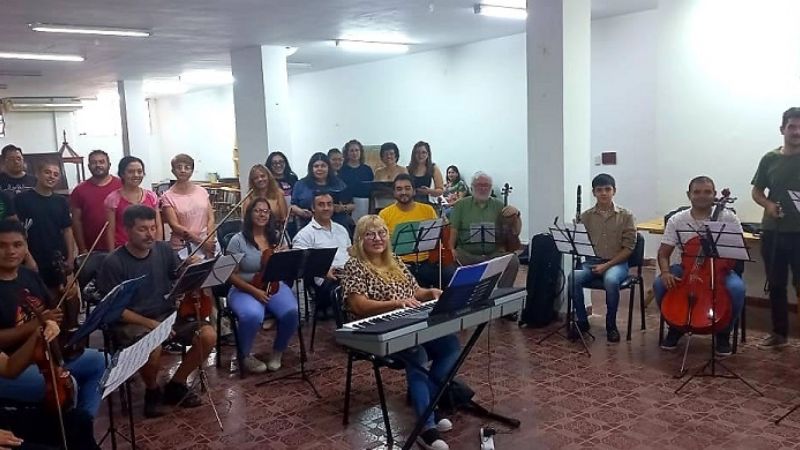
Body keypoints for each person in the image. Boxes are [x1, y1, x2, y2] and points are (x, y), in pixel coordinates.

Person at [342, 215, 456, 450]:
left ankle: (428, 404)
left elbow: (415, 291)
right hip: (374, 329)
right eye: (370, 234)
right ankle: (426, 427)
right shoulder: (354, 265)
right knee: (418, 355)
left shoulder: (394, 260)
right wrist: (395, 304)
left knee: (451, 346)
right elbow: (359, 306)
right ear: (360, 239)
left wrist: (431, 292)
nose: (377, 238)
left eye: (382, 233)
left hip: (408, 321)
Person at [96, 205, 217, 418]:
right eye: (143, 229)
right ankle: (152, 391)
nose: (150, 234)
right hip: (133, 321)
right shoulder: (113, 262)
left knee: (208, 335)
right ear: (127, 230)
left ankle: (176, 384)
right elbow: (114, 310)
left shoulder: (163, 250)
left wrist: (190, 269)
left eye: (153, 228)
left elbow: (176, 278)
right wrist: (152, 325)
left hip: (167, 315)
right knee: (152, 347)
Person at [0, 219, 105, 447]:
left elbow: (49, 312)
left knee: (99, 361)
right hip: (11, 367)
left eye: (17, 244)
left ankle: (82, 426)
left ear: (26, 246)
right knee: (69, 384)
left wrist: (65, 302)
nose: (10, 251)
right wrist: (35, 328)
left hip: (45, 355)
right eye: (2, 245)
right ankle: (70, 432)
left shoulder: (29, 276)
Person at [654, 176, 745, 356]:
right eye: (697, 192)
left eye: (707, 192)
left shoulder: (728, 217)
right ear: (689, 195)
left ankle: (723, 333)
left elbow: (738, 248)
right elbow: (663, 253)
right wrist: (665, 272)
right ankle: (675, 326)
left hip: (719, 270)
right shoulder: (677, 220)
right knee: (659, 284)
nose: (702, 196)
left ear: (714, 194)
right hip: (687, 268)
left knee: (737, 289)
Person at [226, 198, 299, 373]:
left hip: (273, 285)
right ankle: (245, 355)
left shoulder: (275, 236)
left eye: (266, 211)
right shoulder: (237, 240)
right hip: (244, 288)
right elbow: (230, 275)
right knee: (252, 315)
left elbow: (286, 269)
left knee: (291, 312)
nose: (262, 214)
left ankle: (277, 352)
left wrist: (283, 257)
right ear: (250, 214)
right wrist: (255, 292)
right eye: (257, 211)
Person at [752, 107, 800, 349]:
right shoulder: (769, 159)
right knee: (777, 284)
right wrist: (769, 205)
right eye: (792, 126)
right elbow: (757, 192)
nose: (797, 131)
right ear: (783, 129)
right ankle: (779, 334)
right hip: (774, 232)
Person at [567, 174, 636, 343]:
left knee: (611, 280)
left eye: (607, 189)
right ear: (594, 192)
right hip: (592, 261)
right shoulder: (586, 216)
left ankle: (611, 325)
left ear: (614, 191)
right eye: (599, 190)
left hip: (617, 263)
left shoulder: (626, 216)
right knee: (573, 277)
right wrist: (576, 232)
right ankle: (582, 322)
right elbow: (580, 244)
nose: (604, 193)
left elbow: (629, 248)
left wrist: (606, 266)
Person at [379, 174, 455, 288]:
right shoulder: (384, 214)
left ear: (414, 191)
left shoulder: (428, 210)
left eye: (407, 188)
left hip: (428, 262)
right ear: (394, 193)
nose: (403, 192)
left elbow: (439, 237)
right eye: (399, 189)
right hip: (399, 265)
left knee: (451, 274)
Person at [449, 172, 521, 287]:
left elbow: (515, 232)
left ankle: (501, 293)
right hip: (467, 254)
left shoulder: (499, 205)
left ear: (490, 188)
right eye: (479, 185)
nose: (483, 188)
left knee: (513, 261)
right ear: (472, 187)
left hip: (493, 254)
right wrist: (451, 248)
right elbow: (453, 229)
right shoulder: (461, 205)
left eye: (486, 185)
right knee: (449, 264)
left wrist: (516, 214)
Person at [15, 163, 76, 293]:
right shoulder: (21, 199)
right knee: (37, 298)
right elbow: (17, 232)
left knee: (64, 296)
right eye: (47, 172)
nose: (51, 177)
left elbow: (67, 230)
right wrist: (28, 258)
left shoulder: (61, 201)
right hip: (33, 256)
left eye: (56, 174)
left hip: (57, 258)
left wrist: (70, 257)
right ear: (37, 174)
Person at [292, 192, 351, 317]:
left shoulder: (342, 229)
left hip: (348, 274)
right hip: (325, 283)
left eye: (329, 204)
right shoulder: (304, 235)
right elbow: (299, 265)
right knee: (354, 290)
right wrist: (324, 271)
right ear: (313, 208)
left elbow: (350, 254)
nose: (326, 208)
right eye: (321, 205)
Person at [161, 154, 216, 257]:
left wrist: (210, 240)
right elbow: (175, 226)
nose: (183, 170)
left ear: (192, 170)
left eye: (187, 167)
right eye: (179, 167)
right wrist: (202, 243)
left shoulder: (202, 191)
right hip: (183, 247)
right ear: (173, 171)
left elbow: (211, 218)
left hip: (208, 243)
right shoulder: (167, 196)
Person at [104, 156, 162, 250]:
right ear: (122, 174)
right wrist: (112, 254)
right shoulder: (113, 199)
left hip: (148, 249)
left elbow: (158, 225)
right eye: (130, 172)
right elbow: (110, 230)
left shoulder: (152, 197)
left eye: (139, 171)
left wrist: (158, 249)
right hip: (123, 250)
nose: (136, 175)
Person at [70, 149, 122, 253]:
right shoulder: (79, 190)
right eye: (94, 162)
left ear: (109, 164)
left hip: (121, 246)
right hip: (92, 249)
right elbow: (76, 222)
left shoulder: (122, 185)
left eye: (101, 162)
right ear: (89, 166)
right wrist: (81, 248)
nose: (98, 165)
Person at [291, 153, 354, 231]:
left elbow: (352, 205)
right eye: (316, 166)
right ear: (311, 168)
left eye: (323, 166)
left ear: (328, 168)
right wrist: (301, 212)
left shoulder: (338, 183)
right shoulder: (301, 184)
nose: (319, 169)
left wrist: (341, 208)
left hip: (337, 225)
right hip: (309, 227)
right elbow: (293, 205)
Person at [339, 139, 375, 222]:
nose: (354, 153)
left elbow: (372, 190)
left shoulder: (367, 169)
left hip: (366, 205)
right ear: (347, 153)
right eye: (351, 151)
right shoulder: (342, 170)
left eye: (357, 150)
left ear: (361, 152)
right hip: (347, 207)